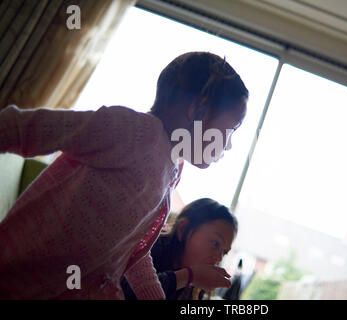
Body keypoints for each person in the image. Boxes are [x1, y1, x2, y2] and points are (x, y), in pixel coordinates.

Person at [0, 51, 248, 299]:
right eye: (230, 130)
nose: (227, 145)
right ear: (198, 110)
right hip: (18, 275)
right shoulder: (134, 132)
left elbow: (133, 253)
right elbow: (24, 128)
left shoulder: (171, 168)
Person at [121, 198, 238, 300]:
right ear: (183, 228)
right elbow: (127, 292)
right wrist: (190, 276)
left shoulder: (195, 287)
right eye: (215, 243)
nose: (219, 258)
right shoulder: (149, 250)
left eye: (224, 252)